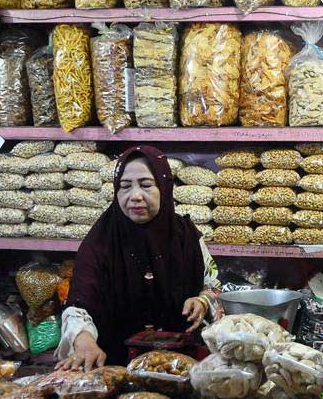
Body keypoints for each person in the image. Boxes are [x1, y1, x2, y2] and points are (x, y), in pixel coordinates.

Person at [55, 145, 221, 370]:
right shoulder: (101, 241)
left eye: (146, 185)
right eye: (124, 187)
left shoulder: (186, 236)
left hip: (179, 365)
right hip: (114, 364)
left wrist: (202, 301)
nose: (135, 196)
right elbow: (79, 302)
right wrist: (83, 340)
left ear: (164, 187)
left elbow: (212, 287)